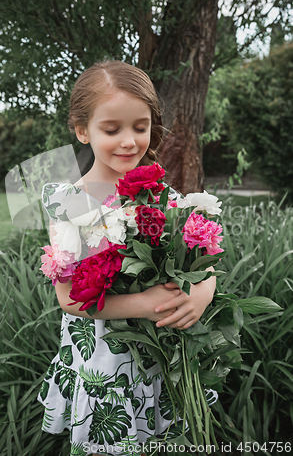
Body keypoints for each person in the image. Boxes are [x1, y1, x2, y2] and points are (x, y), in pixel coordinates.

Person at [38, 60, 218, 456]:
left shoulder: (160, 193)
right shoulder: (67, 202)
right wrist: (147, 303)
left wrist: (204, 291)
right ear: (82, 130)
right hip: (105, 361)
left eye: (140, 127)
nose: (128, 141)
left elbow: (201, 261)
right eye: (111, 129)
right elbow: (69, 299)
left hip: (160, 359)